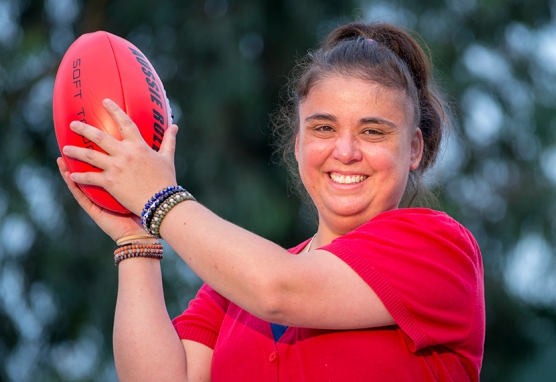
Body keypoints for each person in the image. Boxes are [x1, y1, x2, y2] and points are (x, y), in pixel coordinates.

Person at [57, 21, 485, 381]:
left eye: (373, 132)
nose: (346, 151)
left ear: (413, 148)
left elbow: (279, 289)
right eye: (323, 129)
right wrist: (136, 237)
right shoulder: (232, 291)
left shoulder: (440, 250)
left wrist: (159, 198)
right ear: (298, 144)